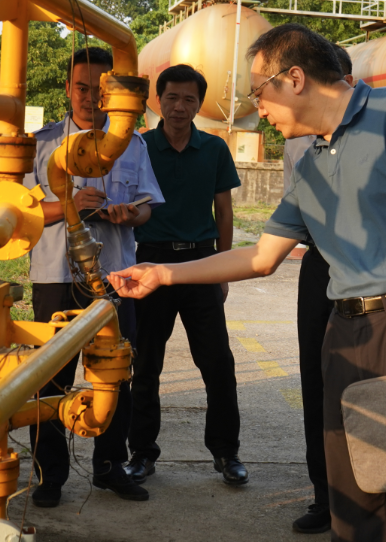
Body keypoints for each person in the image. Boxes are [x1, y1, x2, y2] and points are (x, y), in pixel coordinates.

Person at [112, 23, 386, 541]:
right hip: (347, 331)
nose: (259, 110)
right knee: (356, 497)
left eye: (259, 93)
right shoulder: (311, 165)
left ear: (295, 78)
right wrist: (162, 274)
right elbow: (262, 256)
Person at [25, 46, 164, 508]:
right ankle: (49, 474)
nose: (88, 98)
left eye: (97, 90)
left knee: (116, 371)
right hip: (55, 276)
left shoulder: (132, 144)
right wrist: (68, 204)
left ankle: (109, 466)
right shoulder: (42, 144)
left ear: (111, 94)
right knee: (50, 377)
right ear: (67, 89)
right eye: (80, 88)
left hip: (115, 275)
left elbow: (147, 206)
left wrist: (130, 213)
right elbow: (20, 212)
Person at [124, 64, 246, 487]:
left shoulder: (214, 148)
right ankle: (141, 453)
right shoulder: (138, 146)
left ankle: (227, 452)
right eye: (172, 97)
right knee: (145, 363)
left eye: (189, 99)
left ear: (199, 104)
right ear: (158, 101)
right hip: (151, 261)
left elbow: (224, 211)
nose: (179, 106)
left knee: (218, 363)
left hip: (201, 263)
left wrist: (224, 269)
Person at [284, 45, 355, 535]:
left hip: (366, 270)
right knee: (316, 380)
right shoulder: (296, 142)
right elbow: (274, 239)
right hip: (318, 265)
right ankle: (324, 496)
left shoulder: (378, 134)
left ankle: (369, 496)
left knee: (365, 383)